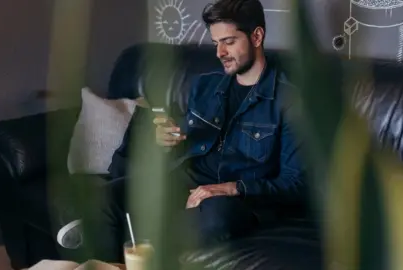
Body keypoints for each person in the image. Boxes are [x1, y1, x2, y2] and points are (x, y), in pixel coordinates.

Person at [56, 0, 306, 263]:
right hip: (182, 184)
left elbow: (295, 184)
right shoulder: (206, 86)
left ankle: (131, 241)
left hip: (236, 201)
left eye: (229, 41)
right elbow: (189, 141)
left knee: (217, 215)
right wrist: (167, 140)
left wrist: (231, 188)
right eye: (216, 42)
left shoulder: (289, 102)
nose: (220, 52)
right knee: (106, 197)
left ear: (256, 36)